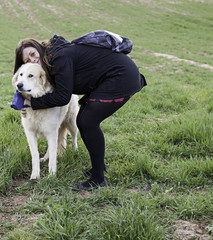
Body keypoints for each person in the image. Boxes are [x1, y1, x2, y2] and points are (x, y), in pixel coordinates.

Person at [14, 34, 147, 190]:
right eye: (27, 60)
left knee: (87, 122)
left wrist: (31, 104)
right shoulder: (50, 60)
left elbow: (63, 97)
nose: (32, 61)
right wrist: (22, 101)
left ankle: (98, 179)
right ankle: (99, 167)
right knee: (84, 120)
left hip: (121, 77)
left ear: (39, 48)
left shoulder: (58, 58)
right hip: (107, 79)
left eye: (33, 54)